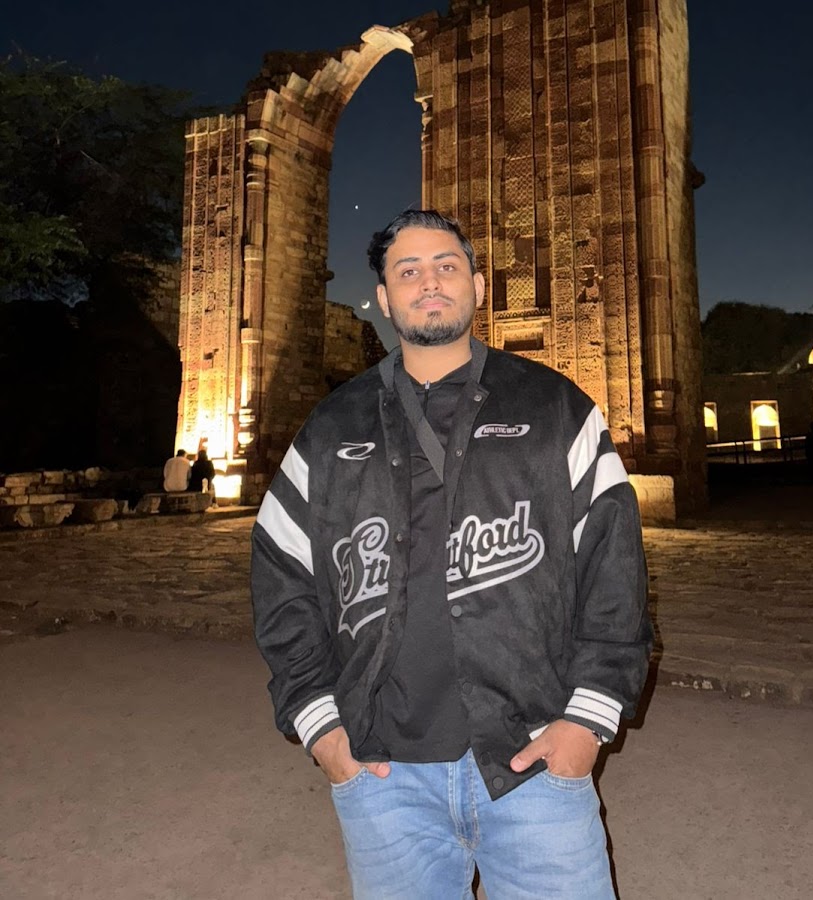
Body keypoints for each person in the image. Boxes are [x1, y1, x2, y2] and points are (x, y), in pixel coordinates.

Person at [250, 210, 653, 899]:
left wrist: (586, 722)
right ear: (383, 297)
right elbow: (281, 576)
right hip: (382, 771)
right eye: (407, 271)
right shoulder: (333, 426)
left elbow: (614, 572)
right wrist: (323, 731)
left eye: (446, 265)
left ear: (478, 284)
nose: (429, 281)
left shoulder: (555, 408)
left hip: (534, 760)